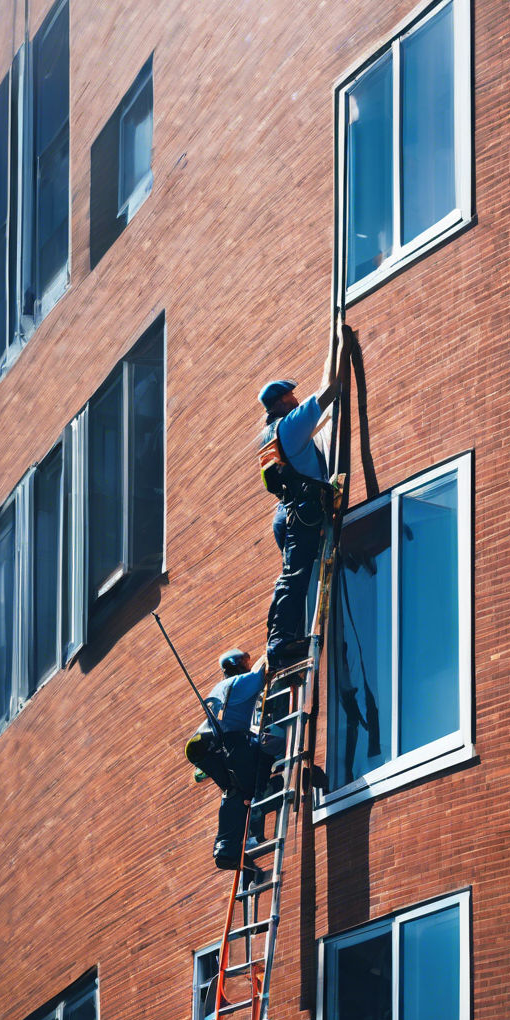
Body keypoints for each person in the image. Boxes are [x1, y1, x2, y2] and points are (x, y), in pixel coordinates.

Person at [258, 319, 353, 669]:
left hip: (288, 515)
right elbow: (329, 390)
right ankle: (280, 643)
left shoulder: (270, 434)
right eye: (292, 397)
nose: (297, 400)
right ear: (283, 402)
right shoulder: (291, 424)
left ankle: (287, 638)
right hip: (301, 515)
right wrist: (339, 345)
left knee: (294, 577)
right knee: (295, 577)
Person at [185, 648, 272, 870]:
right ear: (237, 664)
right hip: (236, 744)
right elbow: (263, 672)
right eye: (245, 662)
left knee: (234, 792)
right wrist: (268, 651)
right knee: (262, 770)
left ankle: (226, 849)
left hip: (215, 752)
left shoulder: (218, 689)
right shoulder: (239, 683)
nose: (247, 665)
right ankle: (256, 828)